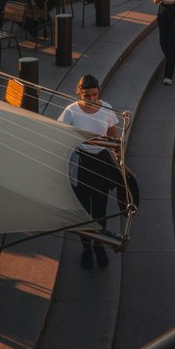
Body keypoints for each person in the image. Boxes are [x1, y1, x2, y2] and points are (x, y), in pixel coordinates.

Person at [58, 74, 120, 267]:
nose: (92, 100)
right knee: (84, 211)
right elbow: (60, 137)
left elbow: (112, 137)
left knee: (100, 211)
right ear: (80, 94)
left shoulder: (106, 108)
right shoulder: (71, 111)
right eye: (87, 96)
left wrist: (118, 157)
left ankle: (99, 245)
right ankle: (86, 247)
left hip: (101, 164)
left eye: (94, 95)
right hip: (81, 163)